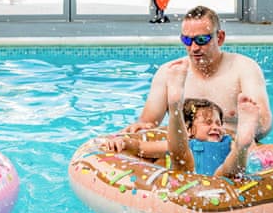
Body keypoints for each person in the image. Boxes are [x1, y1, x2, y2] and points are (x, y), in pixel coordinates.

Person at [126, 5, 273, 141]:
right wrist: (137, 130)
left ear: (220, 38)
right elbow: (148, 123)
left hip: (231, 148)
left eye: (202, 40)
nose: (194, 48)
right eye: (187, 40)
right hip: (184, 152)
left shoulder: (243, 68)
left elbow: (264, 123)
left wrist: (221, 133)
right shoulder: (169, 72)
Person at [102, 62, 259, 178]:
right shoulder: (184, 144)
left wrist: (248, 146)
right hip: (186, 177)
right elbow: (141, 147)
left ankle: (242, 143)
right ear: (189, 130)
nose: (216, 127)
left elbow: (255, 160)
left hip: (220, 180)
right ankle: (175, 106)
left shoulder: (227, 142)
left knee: (228, 170)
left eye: (218, 123)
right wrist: (122, 142)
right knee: (181, 157)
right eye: (208, 123)